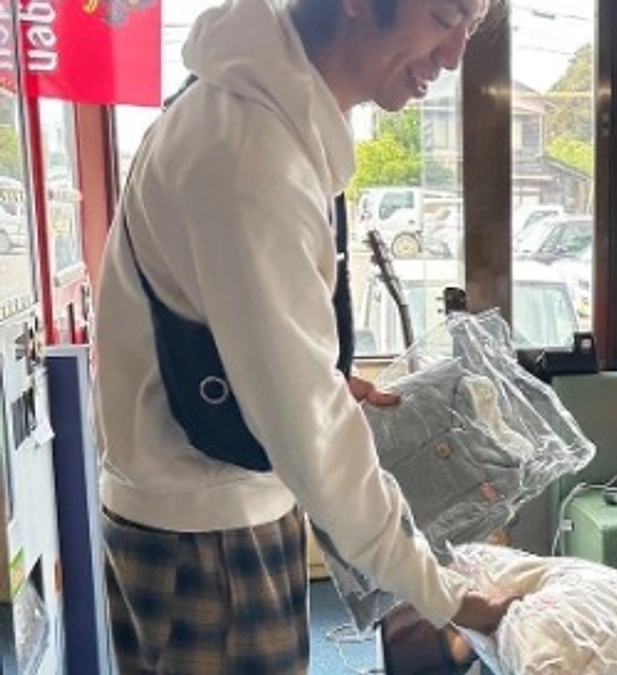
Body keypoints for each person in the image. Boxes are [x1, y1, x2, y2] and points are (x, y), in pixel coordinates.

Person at [92, 0, 515, 672]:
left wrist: (307, 370)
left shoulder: (261, 112)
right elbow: (308, 430)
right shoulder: (251, 152)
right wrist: (445, 593)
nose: (456, 53)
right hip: (207, 536)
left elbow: (213, 322)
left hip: (200, 510)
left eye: (473, 26)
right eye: (443, 16)